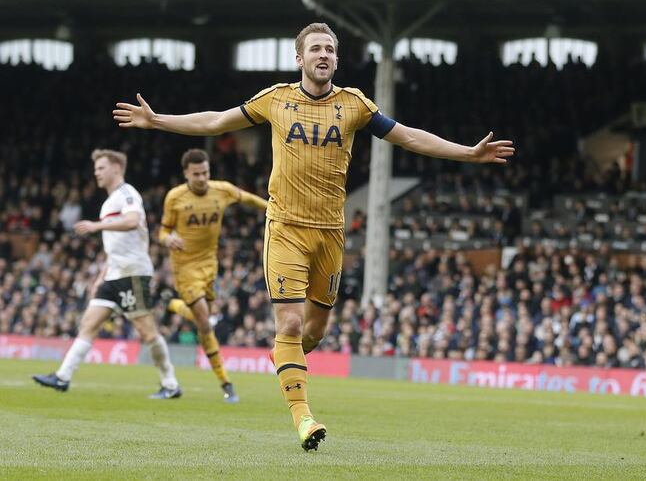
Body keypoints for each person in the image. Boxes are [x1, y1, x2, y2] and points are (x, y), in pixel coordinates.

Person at [113, 22, 513, 451]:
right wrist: (157, 122)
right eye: (315, 49)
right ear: (299, 58)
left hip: (331, 235)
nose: (323, 55)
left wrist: (467, 152)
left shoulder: (355, 105)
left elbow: (409, 136)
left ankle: (284, 355)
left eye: (330, 50)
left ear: (336, 59)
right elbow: (216, 121)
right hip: (285, 228)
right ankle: (303, 418)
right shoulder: (276, 99)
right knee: (289, 321)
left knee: (314, 332)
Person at [33, 149, 181, 399]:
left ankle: (170, 384)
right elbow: (114, 246)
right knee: (88, 324)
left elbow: (133, 221)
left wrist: (96, 225)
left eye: (101, 168)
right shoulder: (109, 201)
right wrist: (101, 275)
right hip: (113, 274)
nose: (96, 173)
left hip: (132, 273)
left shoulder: (127, 194)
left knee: (147, 332)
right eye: (96, 169)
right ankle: (62, 377)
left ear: (116, 168)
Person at [159, 148, 269, 404]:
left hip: (210, 265)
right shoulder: (174, 198)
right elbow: (162, 231)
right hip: (184, 267)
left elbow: (247, 199)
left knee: (203, 321)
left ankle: (173, 305)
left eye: (205, 172)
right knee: (205, 322)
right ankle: (226, 382)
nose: (202, 178)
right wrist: (169, 239)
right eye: (196, 174)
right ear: (186, 173)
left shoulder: (221, 190)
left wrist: (272, 209)